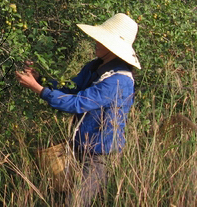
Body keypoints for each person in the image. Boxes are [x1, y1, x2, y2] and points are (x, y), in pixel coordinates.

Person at [15, 13, 141, 206]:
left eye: (101, 39)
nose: (95, 42)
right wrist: (41, 80)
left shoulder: (119, 81)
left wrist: (37, 89)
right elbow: (70, 88)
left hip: (99, 155)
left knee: (76, 202)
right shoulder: (95, 67)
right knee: (62, 195)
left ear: (113, 48)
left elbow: (76, 103)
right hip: (78, 147)